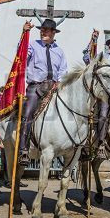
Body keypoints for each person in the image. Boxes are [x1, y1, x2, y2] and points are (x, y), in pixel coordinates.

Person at [18, 19, 68, 166]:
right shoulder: (32, 45)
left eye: (46, 30)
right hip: (36, 87)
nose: (43, 31)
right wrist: (24, 33)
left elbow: (63, 71)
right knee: (27, 114)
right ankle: (24, 150)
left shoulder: (59, 51)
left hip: (54, 87)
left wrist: (59, 83)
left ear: (53, 32)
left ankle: (69, 144)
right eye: (42, 29)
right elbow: (21, 55)